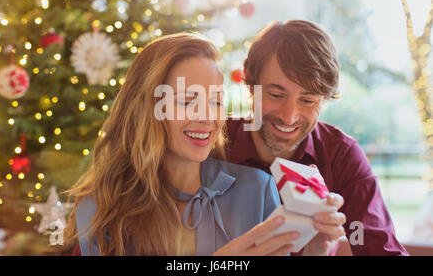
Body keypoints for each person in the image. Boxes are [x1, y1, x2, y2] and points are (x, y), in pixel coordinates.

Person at [64, 32, 344, 256]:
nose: (207, 117)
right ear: (148, 108)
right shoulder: (103, 208)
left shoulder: (257, 190)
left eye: (216, 102)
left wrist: (315, 253)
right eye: (187, 101)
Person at [225, 20, 409, 256]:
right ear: (250, 83)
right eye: (275, 94)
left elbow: (380, 248)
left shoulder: (341, 156)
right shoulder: (212, 142)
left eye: (308, 100)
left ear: (324, 100)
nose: (289, 117)